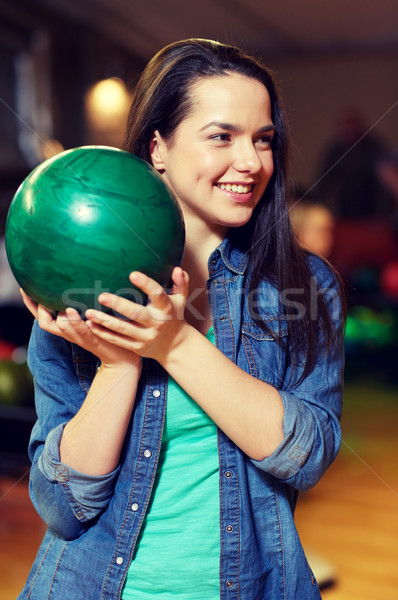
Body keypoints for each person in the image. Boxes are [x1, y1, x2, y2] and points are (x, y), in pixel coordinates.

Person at [18, 39, 345, 599]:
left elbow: (307, 456)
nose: (251, 161)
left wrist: (174, 345)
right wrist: (118, 361)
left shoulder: (305, 286)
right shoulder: (81, 281)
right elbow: (65, 508)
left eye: (263, 139)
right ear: (158, 148)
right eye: (222, 136)